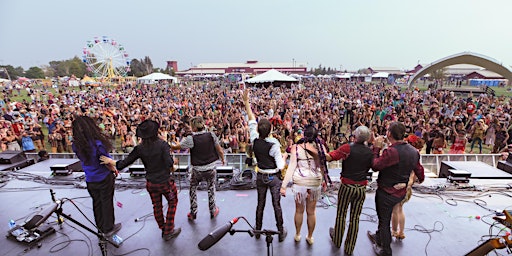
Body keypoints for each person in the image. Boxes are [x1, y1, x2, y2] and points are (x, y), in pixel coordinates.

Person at [100, 119, 180, 240]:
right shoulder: (163, 145)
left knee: (156, 206)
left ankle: (163, 228)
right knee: (173, 203)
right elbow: (169, 164)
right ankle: (168, 230)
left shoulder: (139, 148)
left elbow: (122, 164)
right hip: (165, 182)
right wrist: (174, 162)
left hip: (151, 183)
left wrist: (110, 161)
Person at [368, 121, 425, 256]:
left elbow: (375, 166)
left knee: (384, 220)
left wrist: (376, 148)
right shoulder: (413, 151)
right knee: (385, 217)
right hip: (401, 192)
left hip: (386, 192)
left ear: (389, 134)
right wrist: (407, 183)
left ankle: (385, 250)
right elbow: (420, 174)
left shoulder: (391, 152)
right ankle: (379, 237)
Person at [243, 89, 288, 242]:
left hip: (261, 176)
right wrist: (284, 156)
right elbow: (281, 166)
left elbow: (250, 119)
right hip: (273, 178)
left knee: (260, 204)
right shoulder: (274, 144)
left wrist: (247, 102)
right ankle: (280, 231)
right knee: (276, 205)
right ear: (271, 130)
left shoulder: (254, 138)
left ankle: (257, 229)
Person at [323, 126, 373, 255]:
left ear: (355, 136)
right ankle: (349, 248)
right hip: (361, 187)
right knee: (355, 218)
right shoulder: (370, 151)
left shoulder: (347, 148)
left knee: (341, 214)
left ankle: (337, 240)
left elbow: (330, 157)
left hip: (347, 186)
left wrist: (319, 152)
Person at [71, 116, 121, 239]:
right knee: (106, 202)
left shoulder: (76, 145)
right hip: (103, 176)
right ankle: (108, 228)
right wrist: (114, 170)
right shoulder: (98, 143)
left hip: (90, 178)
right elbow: (106, 161)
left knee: (97, 203)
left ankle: (100, 228)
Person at [280, 125, 327, 245]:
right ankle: (310, 237)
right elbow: (323, 166)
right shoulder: (320, 148)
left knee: (299, 211)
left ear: (304, 135)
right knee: (311, 212)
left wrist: (284, 186)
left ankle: (297, 235)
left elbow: (291, 167)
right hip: (314, 182)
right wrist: (325, 180)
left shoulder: (296, 147)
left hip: (300, 182)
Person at [171, 116, 224, 220]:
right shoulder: (211, 135)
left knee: (192, 189)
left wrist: (171, 143)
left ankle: (193, 212)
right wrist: (223, 159)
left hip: (197, 170)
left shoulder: (191, 139)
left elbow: (177, 147)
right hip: (210, 168)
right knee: (211, 188)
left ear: (194, 127)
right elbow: (220, 150)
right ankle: (213, 210)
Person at [391, 134, 425, 241]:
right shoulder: (414, 155)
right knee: (400, 209)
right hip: (407, 188)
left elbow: (412, 177)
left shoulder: (411, 156)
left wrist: (405, 185)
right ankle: (400, 232)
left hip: (403, 187)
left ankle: (395, 231)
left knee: (396, 210)